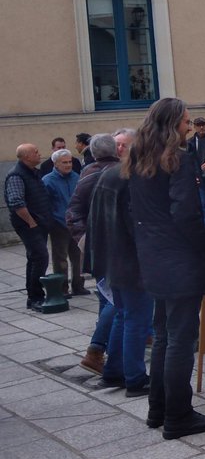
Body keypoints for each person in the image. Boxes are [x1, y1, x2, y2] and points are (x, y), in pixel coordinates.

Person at [126, 98, 205, 439]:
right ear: (172, 125)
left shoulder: (138, 157)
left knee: (165, 335)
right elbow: (185, 212)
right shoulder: (180, 159)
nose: (187, 126)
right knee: (182, 338)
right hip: (179, 258)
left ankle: (159, 409)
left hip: (153, 257)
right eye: (183, 121)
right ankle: (179, 415)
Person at [88, 156, 152, 397]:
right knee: (137, 319)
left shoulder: (110, 174)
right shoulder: (131, 178)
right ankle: (135, 378)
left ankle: (114, 371)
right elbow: (138, 224)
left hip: (112, 258)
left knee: (123, 315)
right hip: (131, 261)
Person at [66, 132, 124, 374]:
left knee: (106, 298)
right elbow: (75, 212)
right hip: (112, 247)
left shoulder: (88, 172)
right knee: (117, 300)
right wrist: (85, 239)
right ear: (116, 150)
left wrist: (83, 240)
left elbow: (74, 212)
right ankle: (96, 349)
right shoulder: (109, 173)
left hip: (99, 246)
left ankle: (103, 348)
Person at [6, 144, 53, 309]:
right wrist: (31, 223)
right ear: (26, 157)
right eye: (36, 152)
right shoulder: (17, 176)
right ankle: (35, 297)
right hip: (29, 225)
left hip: (40, 223)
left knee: (34, 258)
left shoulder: (33, 173)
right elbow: (16, 203)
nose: (39, 154)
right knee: (40, 257)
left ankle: (34, 296)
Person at [42, 149, 84, 295]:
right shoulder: (48, 180)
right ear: (55, 164)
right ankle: (62, 288)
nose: (68, 165)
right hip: (59, 224)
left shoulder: (76, 177)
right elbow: (45, 204)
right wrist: (52, 221)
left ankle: (78, 286)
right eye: (64, 162)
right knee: (60, 259)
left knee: (78, 257)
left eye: (70, 162)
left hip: (76, 223)